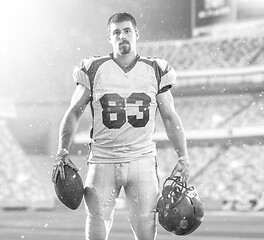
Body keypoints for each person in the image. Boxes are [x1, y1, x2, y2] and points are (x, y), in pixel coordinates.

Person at [51, 12, 190, 240]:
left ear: (136, 34)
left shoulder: (155, 69)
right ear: (109, 38)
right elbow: (74, 112)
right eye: (116, 32)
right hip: (103, 160)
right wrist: (62, 151)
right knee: (96, 225)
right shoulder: (93, 68)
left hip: (142, 159)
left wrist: (183, 157)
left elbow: (170, 117)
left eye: (126, 30)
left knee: (146, 228)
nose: (122, 36)